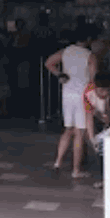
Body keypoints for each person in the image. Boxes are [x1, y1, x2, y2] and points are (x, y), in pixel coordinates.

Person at [45, 27, 95, 178]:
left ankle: (58, 162)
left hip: (67, 94)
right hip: (82, 95)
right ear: (87, 39)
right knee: (79, 132)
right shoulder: (90, 56)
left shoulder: (65, 51)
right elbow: (93, 81)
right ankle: (76, 170)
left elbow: (48, 63)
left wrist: (60, 74)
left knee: (68, 129)